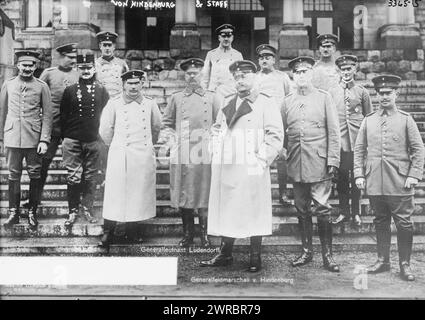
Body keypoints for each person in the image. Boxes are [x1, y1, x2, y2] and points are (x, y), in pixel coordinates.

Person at [200, 60, 284, 272]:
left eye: (244, 76)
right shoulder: (228, 101)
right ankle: (225, 253)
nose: (240, 81)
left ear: (254, 77)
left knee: (254, 210)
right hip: (228, 165)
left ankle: (255, 256)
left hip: (252, 165)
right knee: (228, 208)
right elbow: (217, 128)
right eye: (236, 77)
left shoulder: (265, 102)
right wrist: (215, 149)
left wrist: (261, 159)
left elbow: (275, 135)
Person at [354, 75, 424, 281]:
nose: (384, 96)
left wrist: (413, 175)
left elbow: (419, 149)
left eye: (388, 93)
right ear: (376, 95)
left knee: (403, 223)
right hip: (375, 181)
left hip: (400, 182)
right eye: (380, 93)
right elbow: (359, 150)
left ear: (396, 94)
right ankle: (383, 260)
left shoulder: (405, 119)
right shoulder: (369, 120)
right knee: (380, 221)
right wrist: (359, 173)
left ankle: (405, 264)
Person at [282, 56, 341, 272]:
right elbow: (281, 132)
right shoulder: (287, 101)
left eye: (305, 71)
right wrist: (282, 150)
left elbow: (334, 131)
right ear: (293, 76)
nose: (301, 76)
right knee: (301, 209)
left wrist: (333, 159)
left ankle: (328, 256)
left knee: (323, 209)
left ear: (311, 74)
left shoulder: (324, 98)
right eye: (297, 72)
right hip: (297, 162)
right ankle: (306, 252)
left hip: (319, 162)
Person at [160, 58, 220, 248]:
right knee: (184, 193)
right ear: (184, 75)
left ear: (202, 74)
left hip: (204, 151)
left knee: (204, 192)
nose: (192, 75)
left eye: (196, 72)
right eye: (189, 73)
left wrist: (215, 143)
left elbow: (220, 125)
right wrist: (171, 143)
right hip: (183, 152)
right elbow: (167, 124)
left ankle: (205, 234)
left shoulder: (212, 97)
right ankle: (188, 234)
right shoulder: (176, 98)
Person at [98, 70, 161, 249]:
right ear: (123, 85)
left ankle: (132, 231)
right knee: (115, 192)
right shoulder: (114, 103)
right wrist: (118, 146)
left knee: (138, 193)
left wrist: (146, 144)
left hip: (142, 155)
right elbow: (104, 130)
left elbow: (156, 127)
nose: (133, 86)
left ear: (142, 84)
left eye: (136, 83)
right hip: (120, 154)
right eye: (130, 83)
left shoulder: (150, 104)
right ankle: (108, 231)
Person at [21, 44, 79, 209]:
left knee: (75, 166)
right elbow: (37, 93)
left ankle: (77, 203)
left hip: (72, 128)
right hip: (52, 126)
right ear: (61, 56)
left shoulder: (78, 74)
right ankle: (34, 199)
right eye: (70, 57)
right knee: (43, 163)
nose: (73, 61)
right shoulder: (49, 73)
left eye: (75, 58)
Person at [0, 50, 53, 229]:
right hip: (12, 137)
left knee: (35, 175)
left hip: (34, 139)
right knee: (13, 175)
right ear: (18, 65)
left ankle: (32, 211)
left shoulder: (41, 86)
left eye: (31, 65)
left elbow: (47, 115)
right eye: (24, 65)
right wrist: (1, 138)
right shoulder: (8, 84)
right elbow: (2, 112)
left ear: (35, 66)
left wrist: (44, 140)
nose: (27, 69)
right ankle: (13, 213)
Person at [60, 53, 109, 228]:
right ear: (77, 69)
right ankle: (73, 210)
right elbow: (63, 115)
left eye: (89, 68)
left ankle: (87, 208)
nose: (86, 71)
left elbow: (107, 115)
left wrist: (101, 138)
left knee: (91, 176)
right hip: (72, 139)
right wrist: (65, 137)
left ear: (94, 69)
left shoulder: (102, 90)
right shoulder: (70, 90)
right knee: (73, 177)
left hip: (93, 139)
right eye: (82, 68)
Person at [328, 55, 372, 226]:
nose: (346, 72)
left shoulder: (362, 91)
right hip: (340, 142)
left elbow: (369, 118)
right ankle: (343, 212)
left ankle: (356, 213)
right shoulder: (332, 92)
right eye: (343, 69)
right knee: (342, 180)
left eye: (349, 69)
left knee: (356, 178)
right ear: (339, 71)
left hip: (357, 142)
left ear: (355, 69)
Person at [254, 44, 292, 206]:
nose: (264, 60)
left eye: (267, 58)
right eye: (261, 58)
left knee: (281, 158)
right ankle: (260, 195)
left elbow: (290, 99)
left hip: (279, 123)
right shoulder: (254, 77)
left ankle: (283, 193)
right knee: (260, 157)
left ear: (274, 60)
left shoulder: (282, 77)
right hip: (259, 123)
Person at [201, 24, 243, 98]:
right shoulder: (211, 54)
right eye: (223, 36)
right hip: (214, 93)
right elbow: (205, 77)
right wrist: (204, 94)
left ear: (232, 38)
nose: (226, 39)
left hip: (231, 93)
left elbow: (241, 77)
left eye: (229, 36)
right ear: (219, 38)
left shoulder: (238, 55)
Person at [95, 31, 129, 99]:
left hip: (118, 101)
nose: (107, 48)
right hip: (101, 101)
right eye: (104, 45)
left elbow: (127, 84)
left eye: (109, 45)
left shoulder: (122, 64)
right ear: (100, 46)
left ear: (114, 46)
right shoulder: (95, 64)